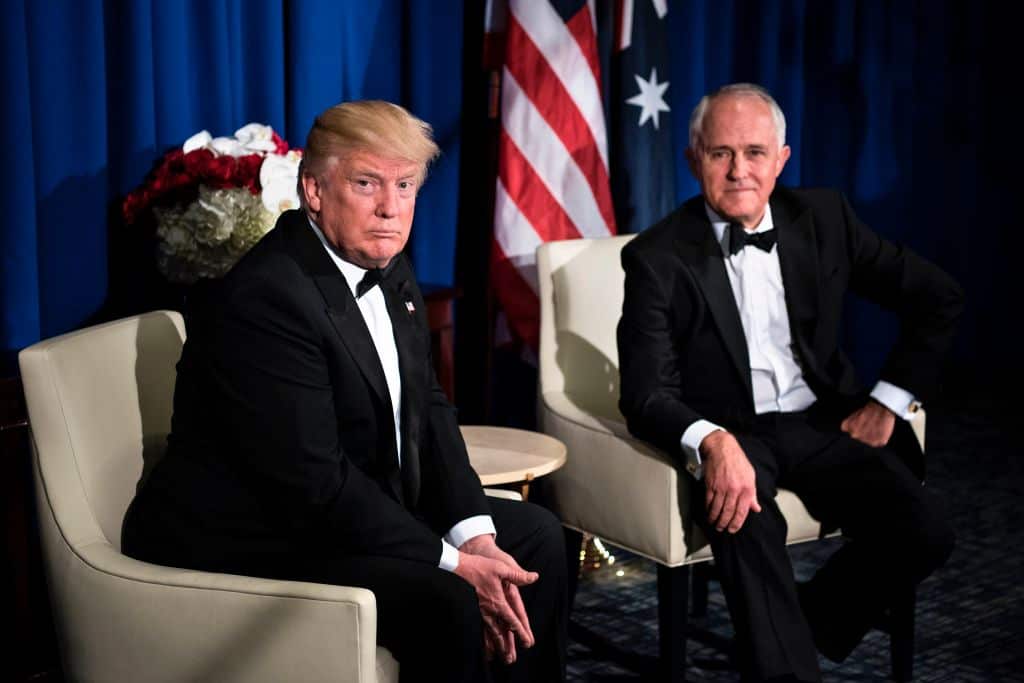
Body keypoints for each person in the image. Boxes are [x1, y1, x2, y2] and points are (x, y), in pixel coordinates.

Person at [123, 100, 567, 683]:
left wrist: (474, 535)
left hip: (340, 507)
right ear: (313, 190)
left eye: (405, 186)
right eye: (367, 183)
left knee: (536, 539)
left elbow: (428, 409)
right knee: (447, 593)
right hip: (253, 536)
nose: (390, 207)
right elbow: (314, 485)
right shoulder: (267, 298)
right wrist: (453, 561)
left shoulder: (389, 260)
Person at [617, 83, 962, 682]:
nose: (739, 170)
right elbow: (644, 395)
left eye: (755, 152)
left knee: (926, 528)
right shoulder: (656, 257)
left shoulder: (825, 218)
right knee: (740, 514)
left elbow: (938, 298)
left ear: (782, 159)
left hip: (822, 418)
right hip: (734, 430)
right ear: (693, 158)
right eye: (721, 153)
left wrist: (890, 399)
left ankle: (801, 624)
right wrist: (712, 441)